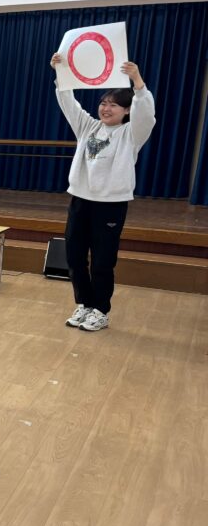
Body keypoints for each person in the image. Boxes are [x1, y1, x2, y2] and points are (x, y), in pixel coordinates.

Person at [50, 55, 155, 332]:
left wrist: (137, 81)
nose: (106, 109)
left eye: (114, 105)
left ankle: (100, 310)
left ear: (127, 111)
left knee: (102, 261)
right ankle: (84, 304)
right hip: (80, 200)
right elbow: (68, 103)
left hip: (110, 204)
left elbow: (146, 115)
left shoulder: (131, 133)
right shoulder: (89, 127)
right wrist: (61, 72)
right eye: (103, 103)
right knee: (74, 257)